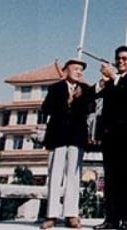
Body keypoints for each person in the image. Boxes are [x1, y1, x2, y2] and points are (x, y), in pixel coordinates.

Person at [94, 46, 127, 230]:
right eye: (118, 59)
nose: (120, 62)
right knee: (110, 178)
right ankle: (111, 219)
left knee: (126, 177)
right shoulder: (110, 82)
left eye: (124, 59)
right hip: (110, 137)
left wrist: (114, 77)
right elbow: (90, 98)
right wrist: (101, 82)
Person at [39, 58, 94, 229]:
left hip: (76, 137)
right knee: (55, 174)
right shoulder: (55, 88)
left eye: (81, 70)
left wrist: (80, 99)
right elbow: (46, 109)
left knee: (74, 175)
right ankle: (51, 215)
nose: (79, 72)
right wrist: (67, 101)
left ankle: (71, 214)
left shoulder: (86, 89)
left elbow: (91, 110)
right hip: (58, 136)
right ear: (66, 71)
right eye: (76, 69)